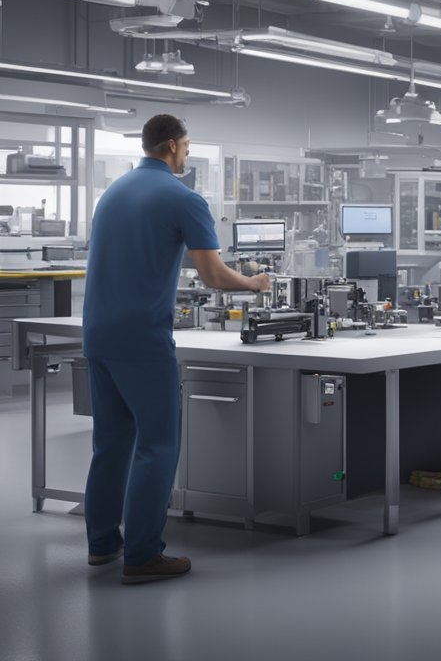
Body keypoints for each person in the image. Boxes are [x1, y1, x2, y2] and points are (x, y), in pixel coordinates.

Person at [83, 114, 271, 584]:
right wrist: (254, 282)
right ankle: (143, 555)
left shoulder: (114, 192)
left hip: (98, 334)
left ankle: (103, 543)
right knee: (158, 443)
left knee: (111, 443)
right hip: (142, 337)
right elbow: (212, 276)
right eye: (186, 146)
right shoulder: (184, 198)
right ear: (170, 146)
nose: (187, 154)